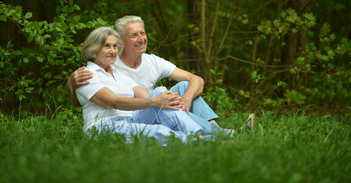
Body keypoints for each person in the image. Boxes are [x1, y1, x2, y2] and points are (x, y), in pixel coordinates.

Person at [68, 15, 256, 131]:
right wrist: (71, 82)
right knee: (161, 96)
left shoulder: (153, 61)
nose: (141, 39)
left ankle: (214, 129)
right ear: (121, 41)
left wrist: (187, 98)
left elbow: (196, 79)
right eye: (134, 35)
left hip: (155, 107)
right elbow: (87, 96)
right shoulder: (110, 62)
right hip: (140, 112)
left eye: (142, 33)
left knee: (184, 86)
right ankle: (216, 134)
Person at [76, 27, 227, 146]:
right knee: (159, 130)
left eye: (115, 46)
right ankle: (211, 141)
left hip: (131, 120)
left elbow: (148, 95)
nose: (113, 51)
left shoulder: (118, 74)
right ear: (94, 49)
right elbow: (113, 101)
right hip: (105, 127)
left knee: (162, 91)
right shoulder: (87, 75)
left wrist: (166, 98)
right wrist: (156, 101)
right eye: (106, 46)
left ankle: (201, 135)